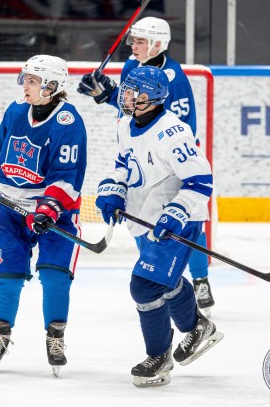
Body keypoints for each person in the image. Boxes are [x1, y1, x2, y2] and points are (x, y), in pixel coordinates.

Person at [77, 16, 216, 315]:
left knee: (186, 218)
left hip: (169, 162)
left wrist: (151, 150)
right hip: (138, 151)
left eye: (140, 41)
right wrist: (105, 93)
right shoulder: (132, 65)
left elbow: (180, 127)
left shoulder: (173, 77)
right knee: (143, 221)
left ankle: (201, 279)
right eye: (133, 40)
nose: (133, 46)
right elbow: (131, 104)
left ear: (157, 44)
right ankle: (159, 279)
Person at [95, 66, 223, 387]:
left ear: (150, 98)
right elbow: (125, 163)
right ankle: (197, 327)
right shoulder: (125, 124)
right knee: (164, 281)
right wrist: (116, 188)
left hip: (180, 219)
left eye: (132, 92)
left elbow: (201, 179)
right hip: (148, 217)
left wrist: (177, 211)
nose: (124, 97)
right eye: (126, 90)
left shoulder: (173, 133)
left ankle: (159, 357)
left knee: (145, 285)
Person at [0, 55, 87, 377]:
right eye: (26, 79)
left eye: (33, 81)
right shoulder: (16, 110)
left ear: (52, 86)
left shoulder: (68, 123)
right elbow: (2, 152)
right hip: (11, 209)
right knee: (6, 277)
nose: (25, 85)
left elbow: (67, 175)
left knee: (55, 275)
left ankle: (55, 337)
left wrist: (47, 209)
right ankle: (1, 335)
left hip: (55, 214)